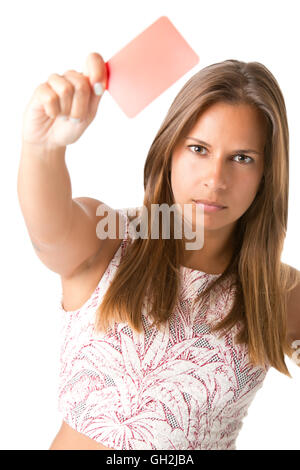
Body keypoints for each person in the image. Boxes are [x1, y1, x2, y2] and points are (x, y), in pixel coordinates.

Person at [17, 52, 300, 450]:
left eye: (241, 158)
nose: (215, 179)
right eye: (199, 149)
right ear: (170, 150)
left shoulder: (280, 292)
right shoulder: (109, 238)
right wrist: (42, 150)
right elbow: (49, 233)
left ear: (266, 173)